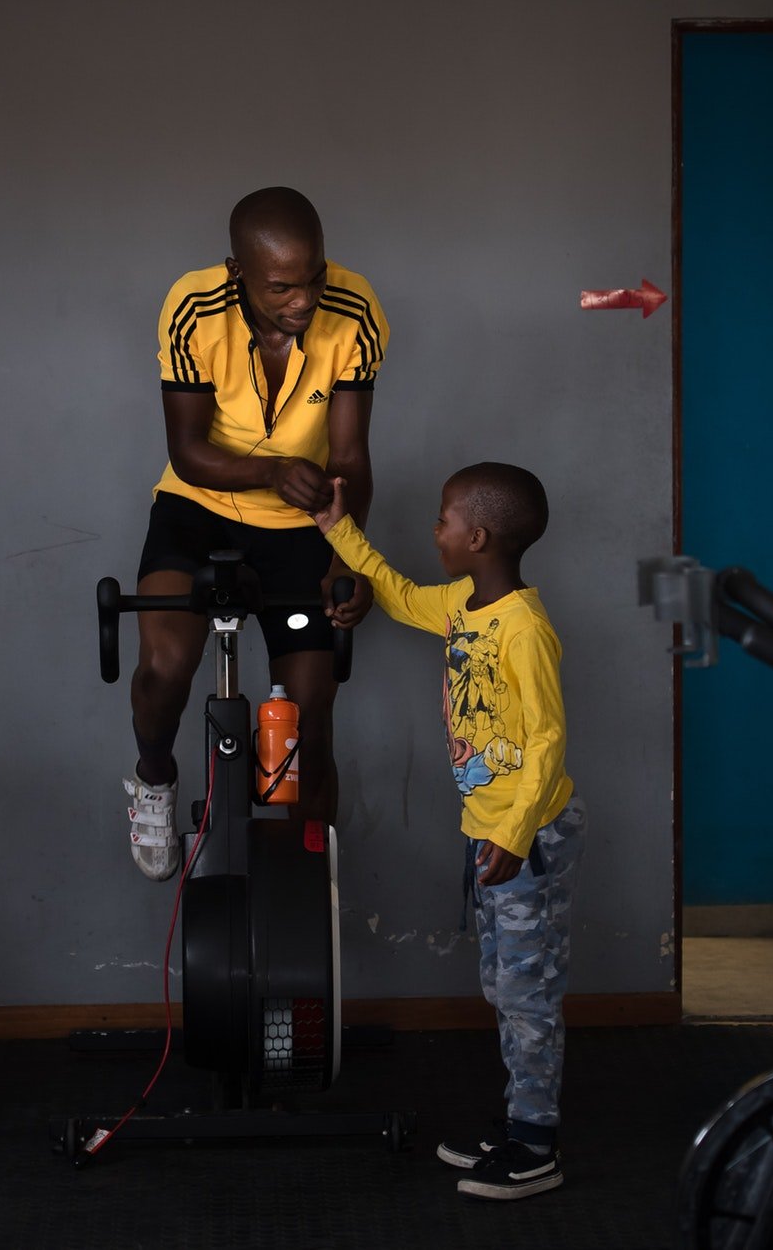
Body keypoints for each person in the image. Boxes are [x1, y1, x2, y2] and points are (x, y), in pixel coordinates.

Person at [312, 463, 586, 1202]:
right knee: (503, 985)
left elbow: (549, 740)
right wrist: (340, 531)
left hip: (526, 835)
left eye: (441, 520)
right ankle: (519, 1121)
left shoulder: (524, 627)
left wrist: (517, 834)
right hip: (490, 831)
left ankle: (536, 1146)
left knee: (529, 993)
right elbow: (398, 596)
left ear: (478, 535)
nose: (434, 531)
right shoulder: (466, 605)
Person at [123, 187, 387, 881]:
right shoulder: (193, 305)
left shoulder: (355, 310)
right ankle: (154, 775)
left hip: (304, 520)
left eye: (315, 278)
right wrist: (272, 470)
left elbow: (352, 460)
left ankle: (306, 888)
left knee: (308, 716)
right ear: (237, 271)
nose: (304, 300)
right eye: (281, 286)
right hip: (199, 505)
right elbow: (187, 450)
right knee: (164, 666)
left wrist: (345, 558)